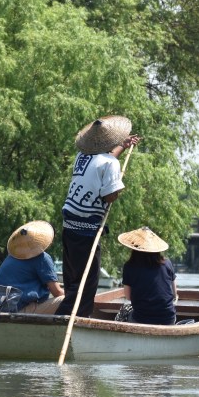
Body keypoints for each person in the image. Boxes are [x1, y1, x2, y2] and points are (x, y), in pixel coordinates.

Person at [55, 115, 141, 317]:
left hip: (69, 225)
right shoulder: (110, 164)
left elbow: (102, 162)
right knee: (87, 283)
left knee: (73, 279)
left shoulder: (82, 156)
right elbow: (109, 196)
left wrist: (123, 147)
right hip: (87, 228)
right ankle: (68, 318)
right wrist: (118, 185)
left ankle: (68, 314)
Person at [0, 220, 64, 314]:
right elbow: (57, 292)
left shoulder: (12, 256)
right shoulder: (42, 258)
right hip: (15, 311)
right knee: (69, 300)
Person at [117, 227, 178, 325]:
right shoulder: (167, 263)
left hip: (140, 319)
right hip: (168, 319)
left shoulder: (129, 266)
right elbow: (174, 293)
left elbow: (128, 296)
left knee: (124, 311)